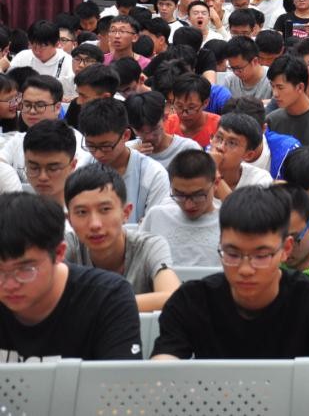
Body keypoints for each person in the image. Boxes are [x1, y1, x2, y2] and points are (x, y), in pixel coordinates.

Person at [151, 186, 309, 360]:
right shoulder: (191, 301)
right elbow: (160, 372)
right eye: (232, 254)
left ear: (286, 249)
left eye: (261, 256)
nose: (245, 270)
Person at [0, 192, 142, 361]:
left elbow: (119, 377)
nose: (9, 285)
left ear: (59, 253)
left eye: (25, 269)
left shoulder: (108, 297)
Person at [63, 163, 181, 312]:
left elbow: (173, 297)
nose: (95, 224)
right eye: (82, 212)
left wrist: (97, 306)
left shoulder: (149, 246)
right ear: (69, 220)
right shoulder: (67, 246)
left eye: (105, 209)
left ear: (126, 213)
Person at [78, 98, 170, 224]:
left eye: (106, 146)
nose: (98, 154)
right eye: (91, 146)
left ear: (126, 136)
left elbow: (155, 227)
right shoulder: (83, 167)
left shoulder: (153, 175)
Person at [0, 75, 93, 183]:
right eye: (27, 104)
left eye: (40, 105)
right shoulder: (18, 139)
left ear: (57, 108)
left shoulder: (75, 142)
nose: (32, 111)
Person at [138, 150, 221, 267]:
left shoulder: (228, 223)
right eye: (179, 195)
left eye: (198, 195)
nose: (188, 205)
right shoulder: (157, 217)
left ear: (216, 184)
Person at [125, 91, 201, 169]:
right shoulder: (127, 152)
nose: (149, 137)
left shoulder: (188, 149)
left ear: (165, 117)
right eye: (140, 131)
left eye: (154, 129)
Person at [210, 113, 273, 198]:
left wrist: (214, 172)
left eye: (232, 143)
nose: (220, 147)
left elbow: (237, 207)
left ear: (248, 155)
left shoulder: (259, 180)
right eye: (218, 138)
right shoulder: (194, 171)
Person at [162, 73, 222, 148]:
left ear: (205, 103)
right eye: (179, 106)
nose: (184, 114)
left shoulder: (219, 127)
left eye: (191, 107)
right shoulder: (166, 125)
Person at [220, 36, 272, 100]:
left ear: (255, 61)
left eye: (239, 68)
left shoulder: (272, 78)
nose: (236, 72)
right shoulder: (230, 81)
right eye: (232, 68)